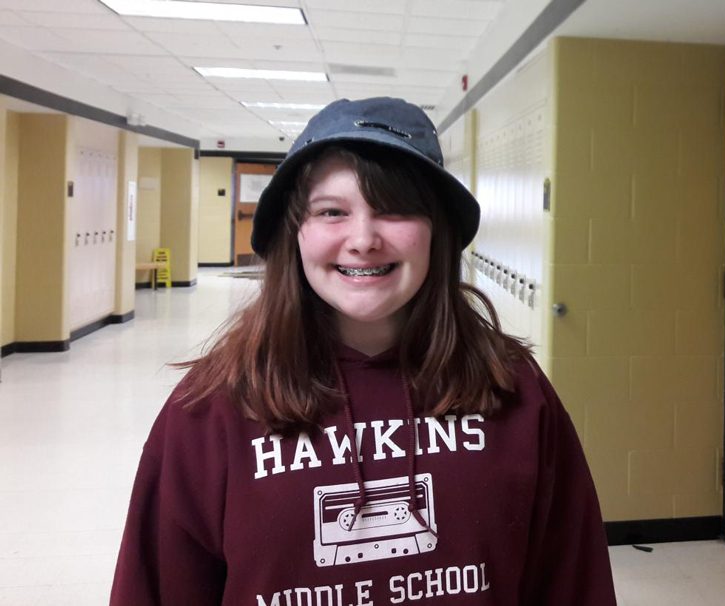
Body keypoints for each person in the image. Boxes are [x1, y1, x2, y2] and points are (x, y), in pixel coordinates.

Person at [110, 97, 617, 606]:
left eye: (394, 210)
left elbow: (573, 581)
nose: (363, 239)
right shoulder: (211, 410)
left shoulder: (514, 391)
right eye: (332, 212)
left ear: (436, 232)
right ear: (296, 233)